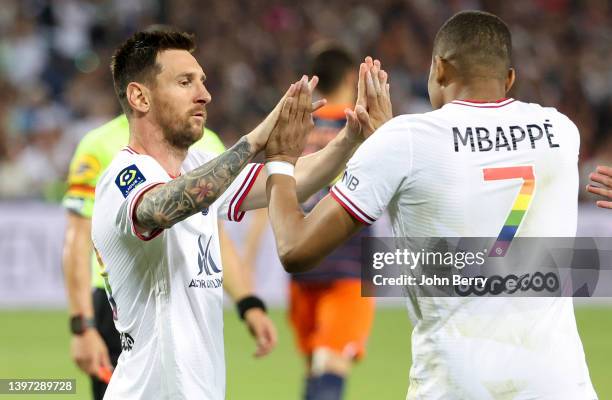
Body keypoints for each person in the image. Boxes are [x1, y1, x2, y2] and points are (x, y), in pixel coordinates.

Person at [264, 11, 598, 400]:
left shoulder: (407, 140)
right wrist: (386, 153)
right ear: (509, 79)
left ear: (439, 69)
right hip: (560, 385)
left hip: (456, 386)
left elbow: (295, 248)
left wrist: (280, 161)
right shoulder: (560, 131)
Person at [91, 30, 378, 399]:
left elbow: (294, 179)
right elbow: (162, 206)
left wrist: (352, 137)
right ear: (139, 96)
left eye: (202, 81)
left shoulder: (198, 164)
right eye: (184, 82)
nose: (204, 94)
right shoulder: (122, 178)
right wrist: (256, 141)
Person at [62, 113, 276, 399]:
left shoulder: (206, 145)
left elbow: (215, 238)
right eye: (183, 82)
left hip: (191, 299)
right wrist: (82, 326)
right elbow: (77, 237)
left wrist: (247, 303)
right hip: (124, 305)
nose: (202, 95)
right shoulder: (99, 145)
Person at [288, 44, 375, 400]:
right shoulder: (359, 124)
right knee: (332, 365)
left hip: (301, 258)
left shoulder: (296, 125)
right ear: (350, 78)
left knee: (313, 363)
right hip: (347, 261)